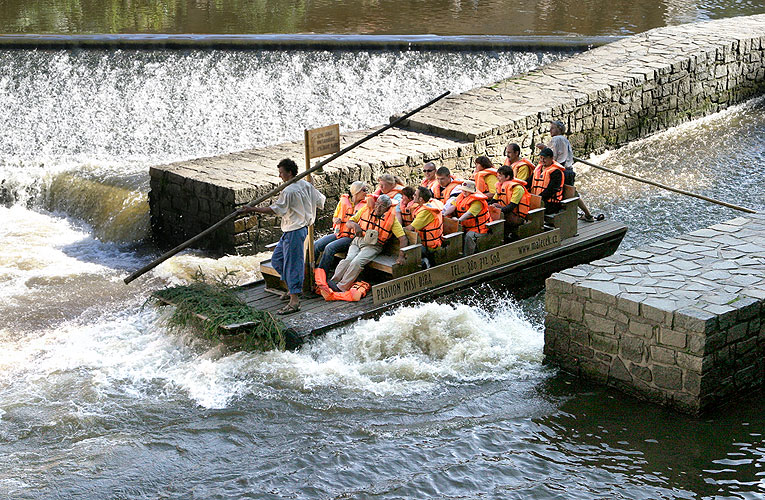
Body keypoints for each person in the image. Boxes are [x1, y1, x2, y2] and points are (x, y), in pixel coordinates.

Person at [238, 158, 325, 314]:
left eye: (281, 173)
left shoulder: (290, 190)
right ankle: (293, 289)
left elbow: (275, 209)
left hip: (295, 230)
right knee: (277, 260)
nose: (280, 176)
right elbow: (321, 201)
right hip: (293, 230)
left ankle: (294, 301)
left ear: (289, 173)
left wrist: (252, 209)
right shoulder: (305, 185)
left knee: (293, 265)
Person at [330, 195, 408, 292]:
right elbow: (349, 222)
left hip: (373, 246)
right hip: (357, 241)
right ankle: (334, 281)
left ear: (387, 208)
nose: (378, 207)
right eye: (377, 204)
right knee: (348, 259)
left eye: (382, 206)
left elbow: (403, 238)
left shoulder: (392, 220)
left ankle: (342, 286)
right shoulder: (365, 210)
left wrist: (401, 256)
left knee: (357, 262)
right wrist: (355, 225)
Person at [536, 120, 598, 221]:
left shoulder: (556, 139)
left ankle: (566, 218)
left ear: (559, 129)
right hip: (569, 170)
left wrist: (544, 149)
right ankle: (587, 214)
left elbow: (553, 157)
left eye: (552, 128)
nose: (550, 130)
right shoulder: (565, 139)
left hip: (561, 171)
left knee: (559, 194)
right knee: (571, 193)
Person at [314, 180, 368, 274]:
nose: (366, 192)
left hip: (351, 238)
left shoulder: (365, 206)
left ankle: (321, 274)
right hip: (339, 233)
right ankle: (309, 270)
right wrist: (335, 220)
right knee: (316, 245)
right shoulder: (343, 201)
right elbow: (335, 217)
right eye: (364, 190)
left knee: (329, 248)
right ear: (356, 191)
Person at [444, 180, 490, 256]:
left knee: (469, 236)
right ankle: (454, 255)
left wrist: (458, 220)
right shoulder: (461, 196)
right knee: (455, 234)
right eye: (463, 190)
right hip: (466, 226)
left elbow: (469, 213)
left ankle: (468, 256)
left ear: (472, 191)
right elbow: (453, 206)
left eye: (466, 191)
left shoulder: (477, 201)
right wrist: (444, 214)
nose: (464, 192)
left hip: (480, 228)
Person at [403, 186, 444, 267]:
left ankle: (425, 263)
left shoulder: (426, 212)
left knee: (409, 251)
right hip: (424, 242)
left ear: (421, 199)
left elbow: (410, 228)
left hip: (430, 246)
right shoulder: (425, 205)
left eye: (415, 195)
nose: (413, 196)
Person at [531, 148, 565, 214]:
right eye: (541, 158)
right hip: (538, 200)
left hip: (551, 203)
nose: (542, 160)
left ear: (551, 158)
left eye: (545, 158)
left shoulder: (556, 172)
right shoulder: (538, 169)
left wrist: (538, 199)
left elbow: (551, 189)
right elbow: (529, 182)